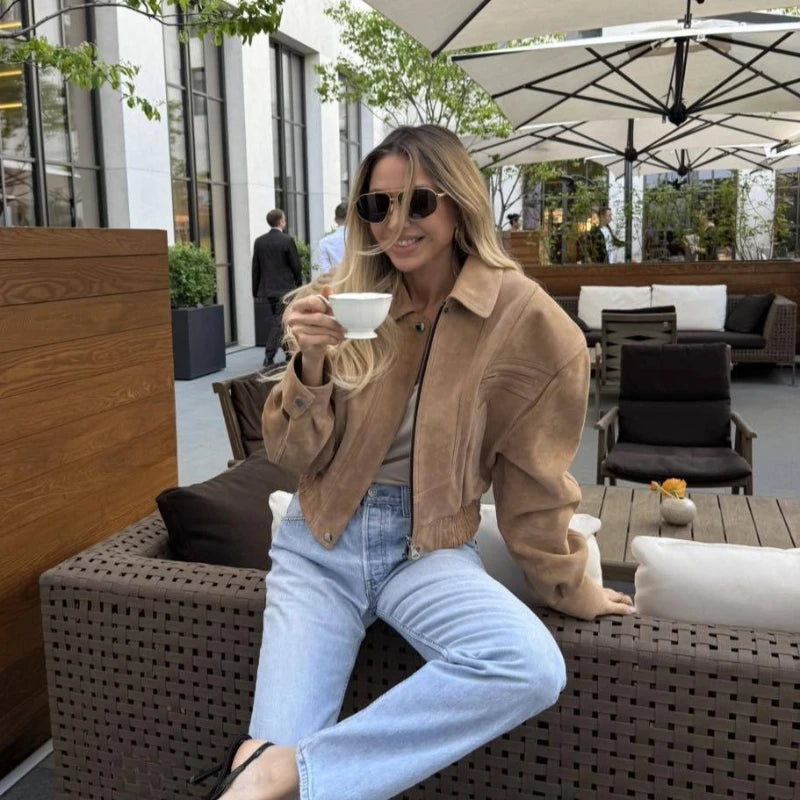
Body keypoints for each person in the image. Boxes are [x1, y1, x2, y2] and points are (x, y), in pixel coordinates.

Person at [196, 124, 634, 800]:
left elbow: (535, 479)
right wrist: (308, 363)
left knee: (528, 668)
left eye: (418, 202)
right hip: (319, 545)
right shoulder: (345, 296)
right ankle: (273, 768)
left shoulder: (526, 321)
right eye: (376, 206)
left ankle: (281, 764)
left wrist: (570, 584)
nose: (395, 224)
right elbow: (289, 453)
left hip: (428, 548)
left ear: (460, 202)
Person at [252, 208, 303, 367]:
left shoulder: (260, 241)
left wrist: (255, 291)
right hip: (285, 289)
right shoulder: (287, 240)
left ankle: (288, 353)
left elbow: (256, 268)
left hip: (269, 290)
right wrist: (299, 285)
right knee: (280, 321)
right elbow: (296, 265)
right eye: (285, 219)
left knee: (282, 321)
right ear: (281, 222)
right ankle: (269, 355)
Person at [316, 202, 347, 274]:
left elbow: (325, 272)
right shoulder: (363, 239)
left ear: (335, 219)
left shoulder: (324, 242)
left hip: (335, 283)